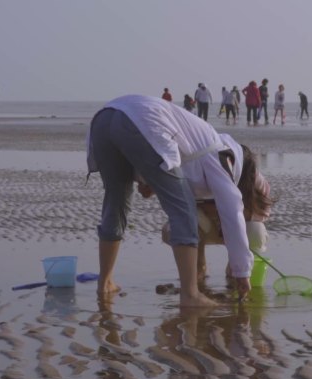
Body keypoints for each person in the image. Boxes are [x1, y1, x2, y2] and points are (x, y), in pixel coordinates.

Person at [86, 94, 252, 306]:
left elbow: (164, 160)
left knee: (115, 203)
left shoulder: (201, 140)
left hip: (105, 118)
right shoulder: (221, 156)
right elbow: (233, 213)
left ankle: (105, 282)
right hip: (143, 119)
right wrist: (242, 270)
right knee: (183, 211)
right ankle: (190, 294)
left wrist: (147, 180)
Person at [161, 135, 272, 280]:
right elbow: (177, 206)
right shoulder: (201, 166)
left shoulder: (255, 180)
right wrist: (211, 208)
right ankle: (198, 268)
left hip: (238, 228)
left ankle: (234, 271)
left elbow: (262, 212)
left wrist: (228, 214)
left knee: (256, 231)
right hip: (206, 226)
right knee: (174, 228)